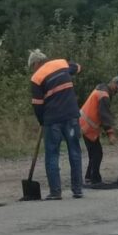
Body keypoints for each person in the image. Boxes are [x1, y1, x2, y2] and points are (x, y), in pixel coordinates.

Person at [29, 49, 83, 199]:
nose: (32, 69)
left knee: (52, 155)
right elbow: (78, 67)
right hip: (71, 116)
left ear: (36, 63)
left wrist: (42, 121)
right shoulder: (61, 63)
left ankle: (55, 192)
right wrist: (72, 69)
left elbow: (37, 105)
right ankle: (77, 189)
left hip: (52, 120)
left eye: (32, 66)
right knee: (75, 151)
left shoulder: (36, 77)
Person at [79, 76, 118, 185]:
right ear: (113, 83)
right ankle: (94, 179)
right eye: (117, 88)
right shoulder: (104, 95)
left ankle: (89, 177)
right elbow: (104, 115)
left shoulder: (102, 91)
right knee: (97, 153)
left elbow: (103, 114)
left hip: (85, 125)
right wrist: (111, 134)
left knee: (94, 153)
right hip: (87, 126)